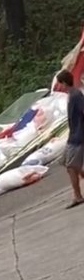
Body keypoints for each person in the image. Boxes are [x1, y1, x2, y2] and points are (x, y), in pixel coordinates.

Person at [56, 69, 84, 209]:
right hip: (73, 136)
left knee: (72, 167)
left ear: (64, 83)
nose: (59, 86)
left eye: (60, 83)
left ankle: (78, 196)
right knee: (67, 163)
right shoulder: (71, 95)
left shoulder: (75, 95)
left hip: (78, 136)